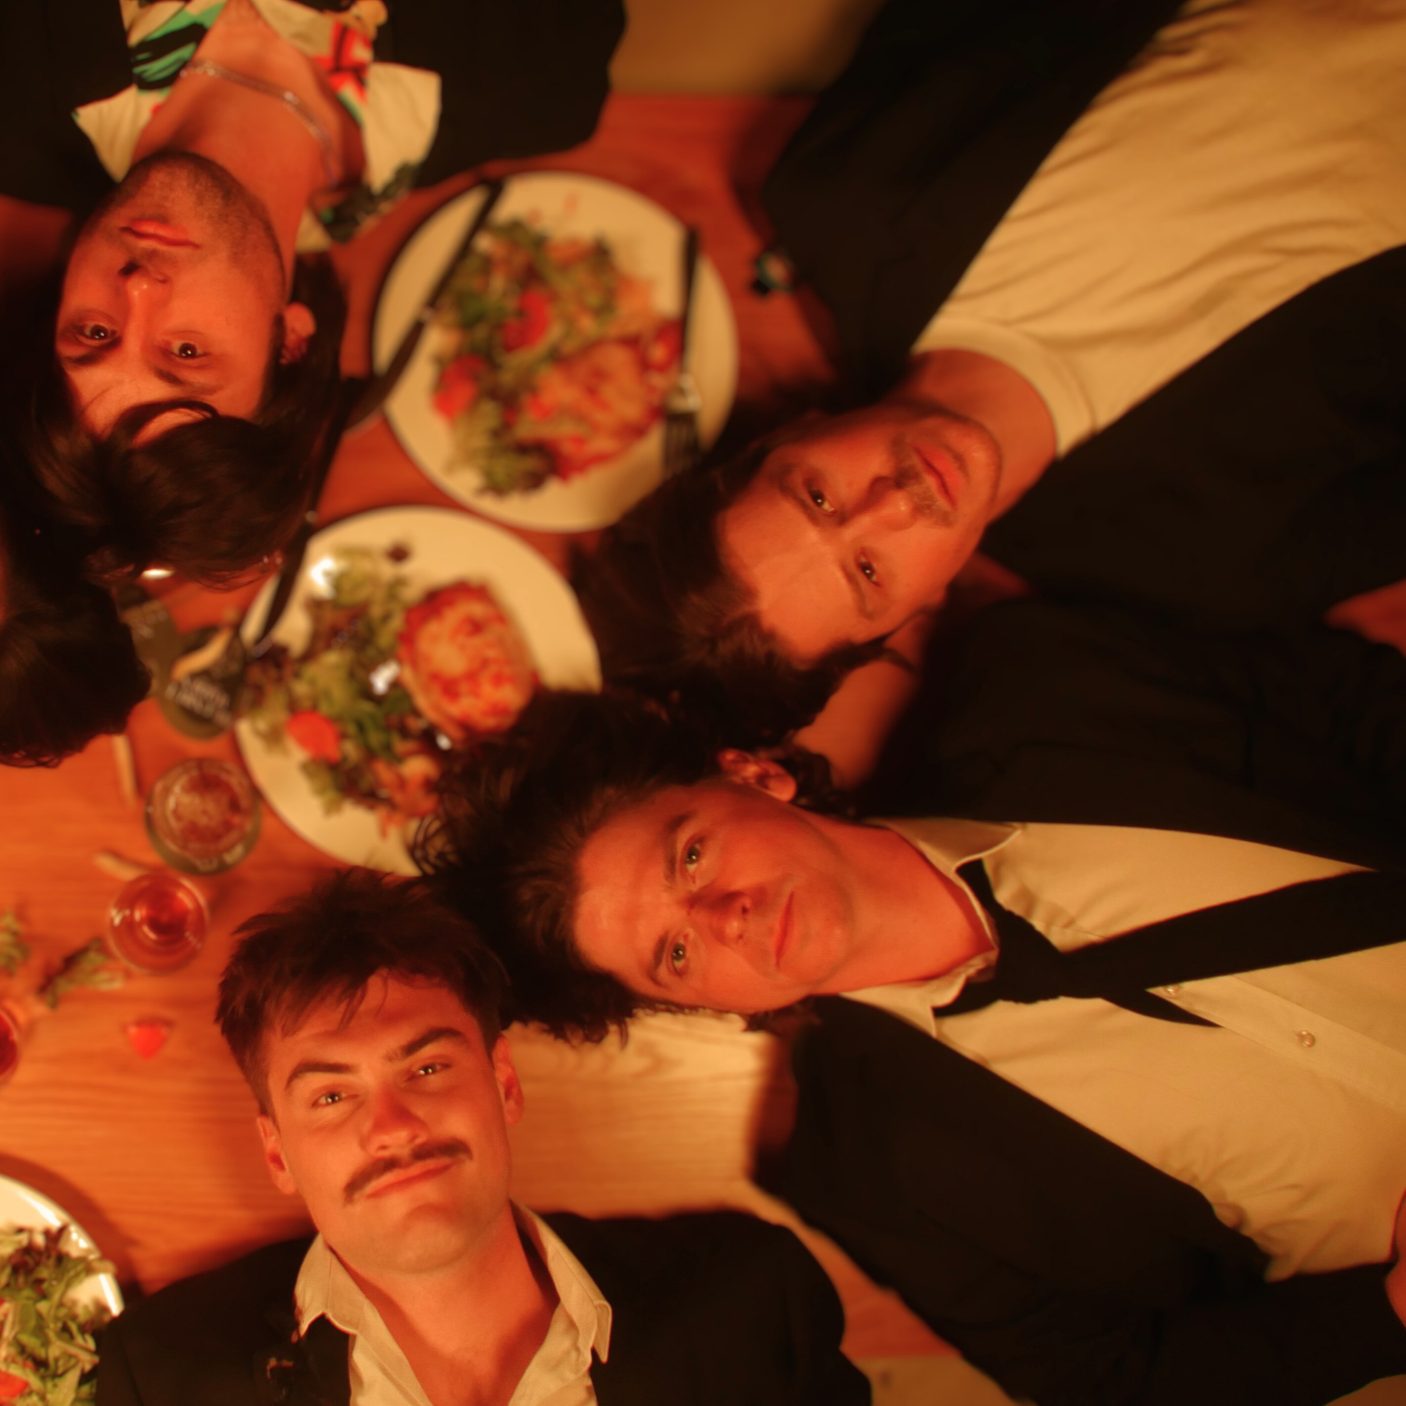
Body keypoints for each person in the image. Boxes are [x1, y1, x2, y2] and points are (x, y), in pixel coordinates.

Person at [417, 688, 1406, 1406]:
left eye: (691, 854)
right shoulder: (868, 1177)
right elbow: (1107, 1380)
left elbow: (1354, 713)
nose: (723, 917)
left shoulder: (1037, 683)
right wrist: (1387, 1315)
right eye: (673, 952)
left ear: (752, 775)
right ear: (699, 1004)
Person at [578, 0, 1406, 738]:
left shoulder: (847, 186)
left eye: (819, 496)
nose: (894, 504)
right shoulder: (1214, 573)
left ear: (793, 435)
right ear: (910, 615)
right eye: (868, 572)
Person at [97, 867, 867, 1406]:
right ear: (277, 1154)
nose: (393, 1128)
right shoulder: (160, 1380)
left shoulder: (758, 1304)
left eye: (427, 1069)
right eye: (332, 1096)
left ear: (503, 1084)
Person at [3, 0, 624, 585]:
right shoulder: (543, 80)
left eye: (95, 334)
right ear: (291, 343)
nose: (136, 291)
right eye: (186, 353)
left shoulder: (19, 93)